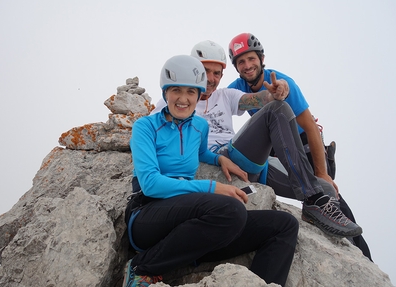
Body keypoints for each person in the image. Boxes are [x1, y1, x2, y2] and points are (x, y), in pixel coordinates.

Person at [151, 40, 363, 240]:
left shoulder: (226, 95)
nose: (212, 78)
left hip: (252, 165)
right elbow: (155, 131)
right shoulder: (175, 99)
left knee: (325, 188)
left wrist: (275, 93)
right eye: (206, 71)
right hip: (220, 160)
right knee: (277, 111)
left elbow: (257, 100)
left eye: (217, 73)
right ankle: (313, 198)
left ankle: (349, 239)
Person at [124, 54, 299, 287]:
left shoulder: (199, 126)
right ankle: (142, 267)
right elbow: (151, 184)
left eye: (191, 92)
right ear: (165, 93)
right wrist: (213, 187)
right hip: (147, 217)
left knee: (284, 225)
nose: (183, 99)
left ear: (199, 95)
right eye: (176, 90)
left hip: (193, 229)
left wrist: (219, 159)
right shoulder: (145, 127)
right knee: (231, 210)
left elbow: (199, 153)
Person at [227, 33, 371, 260]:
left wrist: (322, 172)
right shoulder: (238, 87)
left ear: (261, 58)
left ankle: (359, 249)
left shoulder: (284, 82)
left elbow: (310, 128)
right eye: (241, 62)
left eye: (251, 59)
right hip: (280, 145)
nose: (247, 65)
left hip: (305, 143)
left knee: (327, 192)